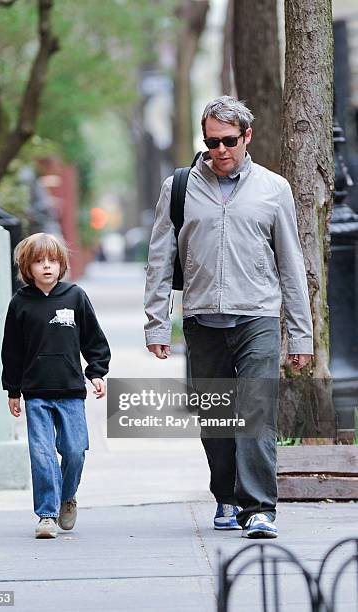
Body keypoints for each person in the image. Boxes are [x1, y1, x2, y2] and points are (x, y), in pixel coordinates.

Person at [144, 96, 313, 539]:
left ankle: (260, 508)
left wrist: (301, 336)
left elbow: (291, 265)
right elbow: (159, 260)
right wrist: (157, 323)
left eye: (228, 141)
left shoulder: (274, 189)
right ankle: (226, 495)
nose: (219, 150)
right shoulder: (178, 187)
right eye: (211, 141)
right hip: (201, 318)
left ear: (247, 137)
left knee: (256, 410)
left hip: (257, 314)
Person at [1, 233, 110, 539]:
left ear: (61, 264)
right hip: (36, 394)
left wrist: (97, 372)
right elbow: (12, 351)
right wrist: (13, 390)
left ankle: (67, 496)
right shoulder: (20, 304)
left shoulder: (75, 297)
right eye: (38, 261)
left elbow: (94, 340)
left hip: (71, 392)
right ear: (27, 267)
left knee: (75, 450)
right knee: (42, 453)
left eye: (52, 260)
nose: (46, 266)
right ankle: (47, 515)